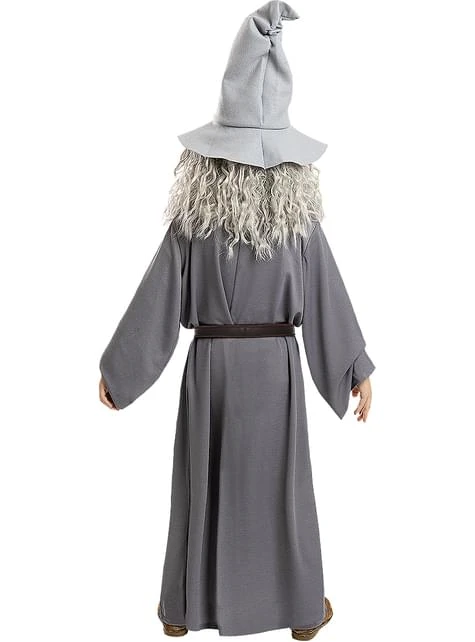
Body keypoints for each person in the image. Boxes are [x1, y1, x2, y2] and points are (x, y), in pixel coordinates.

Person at [98, 2, 375, 639]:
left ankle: (187, 608)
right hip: (273, 372)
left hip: (214, 371)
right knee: (280, 493)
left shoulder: (195, 220)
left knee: (206, 484)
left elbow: (159, 299)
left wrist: (120, 371)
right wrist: (354, 367)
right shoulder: (298, 222)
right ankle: (298, 611)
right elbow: (325, 298)